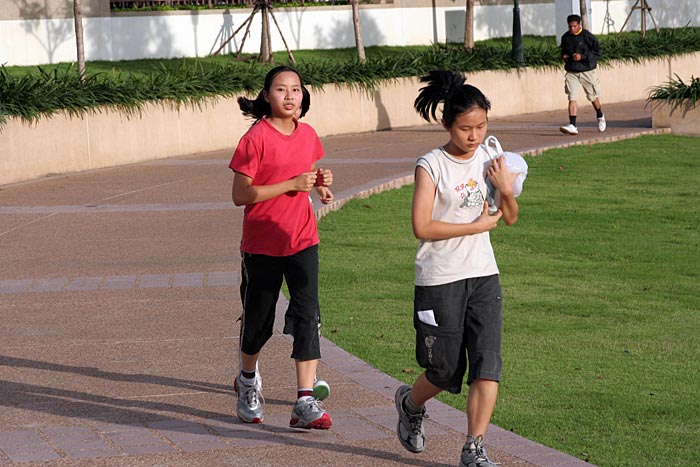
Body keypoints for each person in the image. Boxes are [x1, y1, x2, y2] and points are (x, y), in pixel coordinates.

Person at [394, 70, 519, 467]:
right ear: (447, 124)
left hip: (483, 274)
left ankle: (474, 447)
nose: (475, 136)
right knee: (444, 369)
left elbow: (510, 217)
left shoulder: (489, 159)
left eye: (481, 126)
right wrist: (474, 225)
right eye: (466, 128)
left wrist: (505, 188)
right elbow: (422, 225)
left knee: (488, 362)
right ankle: (411, 404)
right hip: (439, 278)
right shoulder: (431, 165)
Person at [229, 65, 334, 429]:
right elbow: (240, 195)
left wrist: (320, 183)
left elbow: (309, 167)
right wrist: (290, 184)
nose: (290, 95)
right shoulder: (255, 138)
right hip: (262, 244)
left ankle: (305, 401)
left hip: (303, 239)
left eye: (296, 89)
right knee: (259, 322)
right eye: (281, 89)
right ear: (267, 96)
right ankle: (247, 380)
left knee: (308, 315)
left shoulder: (308, 133)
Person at [559, 14, 606, 135]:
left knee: (592, 96)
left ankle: (600, 115)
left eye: (574, 26)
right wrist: (564, 56)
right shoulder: (566, 37)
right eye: (570, 27)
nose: (572, 29)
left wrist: (583, 57)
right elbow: (563, 51)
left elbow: (598, 52)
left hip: (586, 70)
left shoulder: (587, 36)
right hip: (572, 71)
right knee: (572, 97)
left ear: (579, 25)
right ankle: (573, 124)